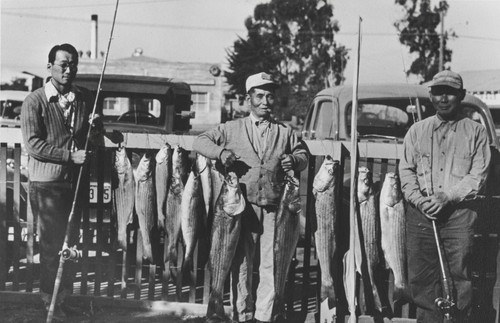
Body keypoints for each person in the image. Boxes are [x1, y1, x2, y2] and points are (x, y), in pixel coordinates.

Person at [192, 72, 308, 323]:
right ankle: (242, 315)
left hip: (273, 209)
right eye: (260, 96)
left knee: (271, 264)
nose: (266, 101)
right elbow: (200, 142)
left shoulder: (285, 132)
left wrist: (295, 160)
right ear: (248, 99)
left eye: (269, 96)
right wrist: (220, 153)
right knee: (241, 264)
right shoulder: (231, 128)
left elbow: (302, 154)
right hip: (240, 209)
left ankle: (265, 316)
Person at [399, 70, 491, 322]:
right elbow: (406, 171)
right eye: (438, 91)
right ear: (430, 95)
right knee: (421, 279)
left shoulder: (476, 132)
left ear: (461, 95)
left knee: (459, 277)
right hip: (421, 217)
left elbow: (477, 176)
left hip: (459, 215)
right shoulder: (417, 131)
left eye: (450, 92)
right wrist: (419, 200)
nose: (443, 98)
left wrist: (447, 197)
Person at [20, 43, 101, 320]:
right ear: (50, 66)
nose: (69, 69)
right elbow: (33, 144)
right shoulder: (35, 101)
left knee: (69, 246)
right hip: (47, 185)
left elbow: (86, 133)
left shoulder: (83, 98)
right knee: (52, 247)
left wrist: (95, 124)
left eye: (73, 64)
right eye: (63, 64)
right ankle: (49, 301)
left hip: (73, 184)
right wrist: (69, 155)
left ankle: (63, 299)